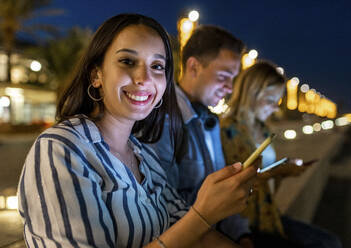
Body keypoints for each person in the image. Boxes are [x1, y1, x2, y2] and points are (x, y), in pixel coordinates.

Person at [17, 14, 259, 248]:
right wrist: (203, 214)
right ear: (96, 74)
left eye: (157, 66)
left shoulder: (144, 157)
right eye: (128, 62)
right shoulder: (62, 149)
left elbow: (196, 235)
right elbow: (194, 224)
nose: (144, 78)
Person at [150, 25, 255, 246]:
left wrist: (242, 235)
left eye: (233, 79)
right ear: (194, 67)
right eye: (224, 76)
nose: (229, 88)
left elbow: (224, 194)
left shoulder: (210, 122)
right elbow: (161, 212)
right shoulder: (163, 122)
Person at [220, 60, 342, 247]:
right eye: (270, 101)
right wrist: (278, 172)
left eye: (277, 102)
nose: (275, 108)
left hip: (269, 213)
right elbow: (235, 183)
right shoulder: (228, 130)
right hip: (243, 223)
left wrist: (282, 171)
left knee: (329, 241)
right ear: (252, 94)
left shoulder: (265, 130)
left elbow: (267, 182)